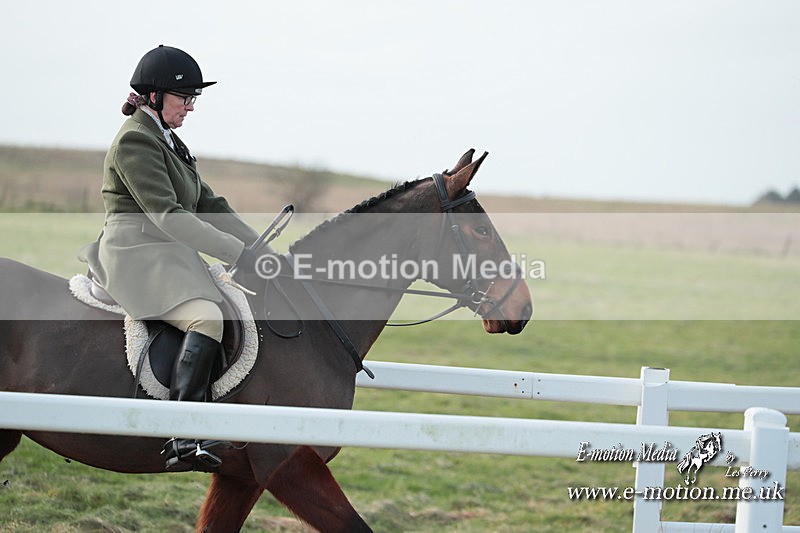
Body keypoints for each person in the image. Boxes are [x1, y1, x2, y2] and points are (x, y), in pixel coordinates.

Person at [78, 45, 262, 471]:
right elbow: (167, 215)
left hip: (167, 252)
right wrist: (235, 253)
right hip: (136, 251)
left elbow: (209, 203)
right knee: (207, 318)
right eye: (186, 98)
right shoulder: (135, 140)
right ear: (156, 96)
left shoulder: (169, 140)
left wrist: (258, 249)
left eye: (194, 99)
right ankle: (183, 433)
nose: (191, 107)